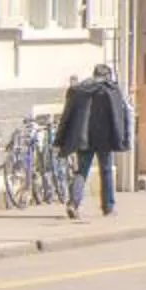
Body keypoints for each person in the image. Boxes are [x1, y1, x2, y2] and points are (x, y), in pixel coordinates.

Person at [55, 63, 131, 220]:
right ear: (107, 75)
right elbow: (119, 115)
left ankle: (73, 203)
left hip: (83, 137)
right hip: (104, 137)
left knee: (81, 171)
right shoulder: (110, 90)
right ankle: (108, 207)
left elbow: (69, 112)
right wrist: (121, 137)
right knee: (106, 171)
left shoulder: (81, 90)